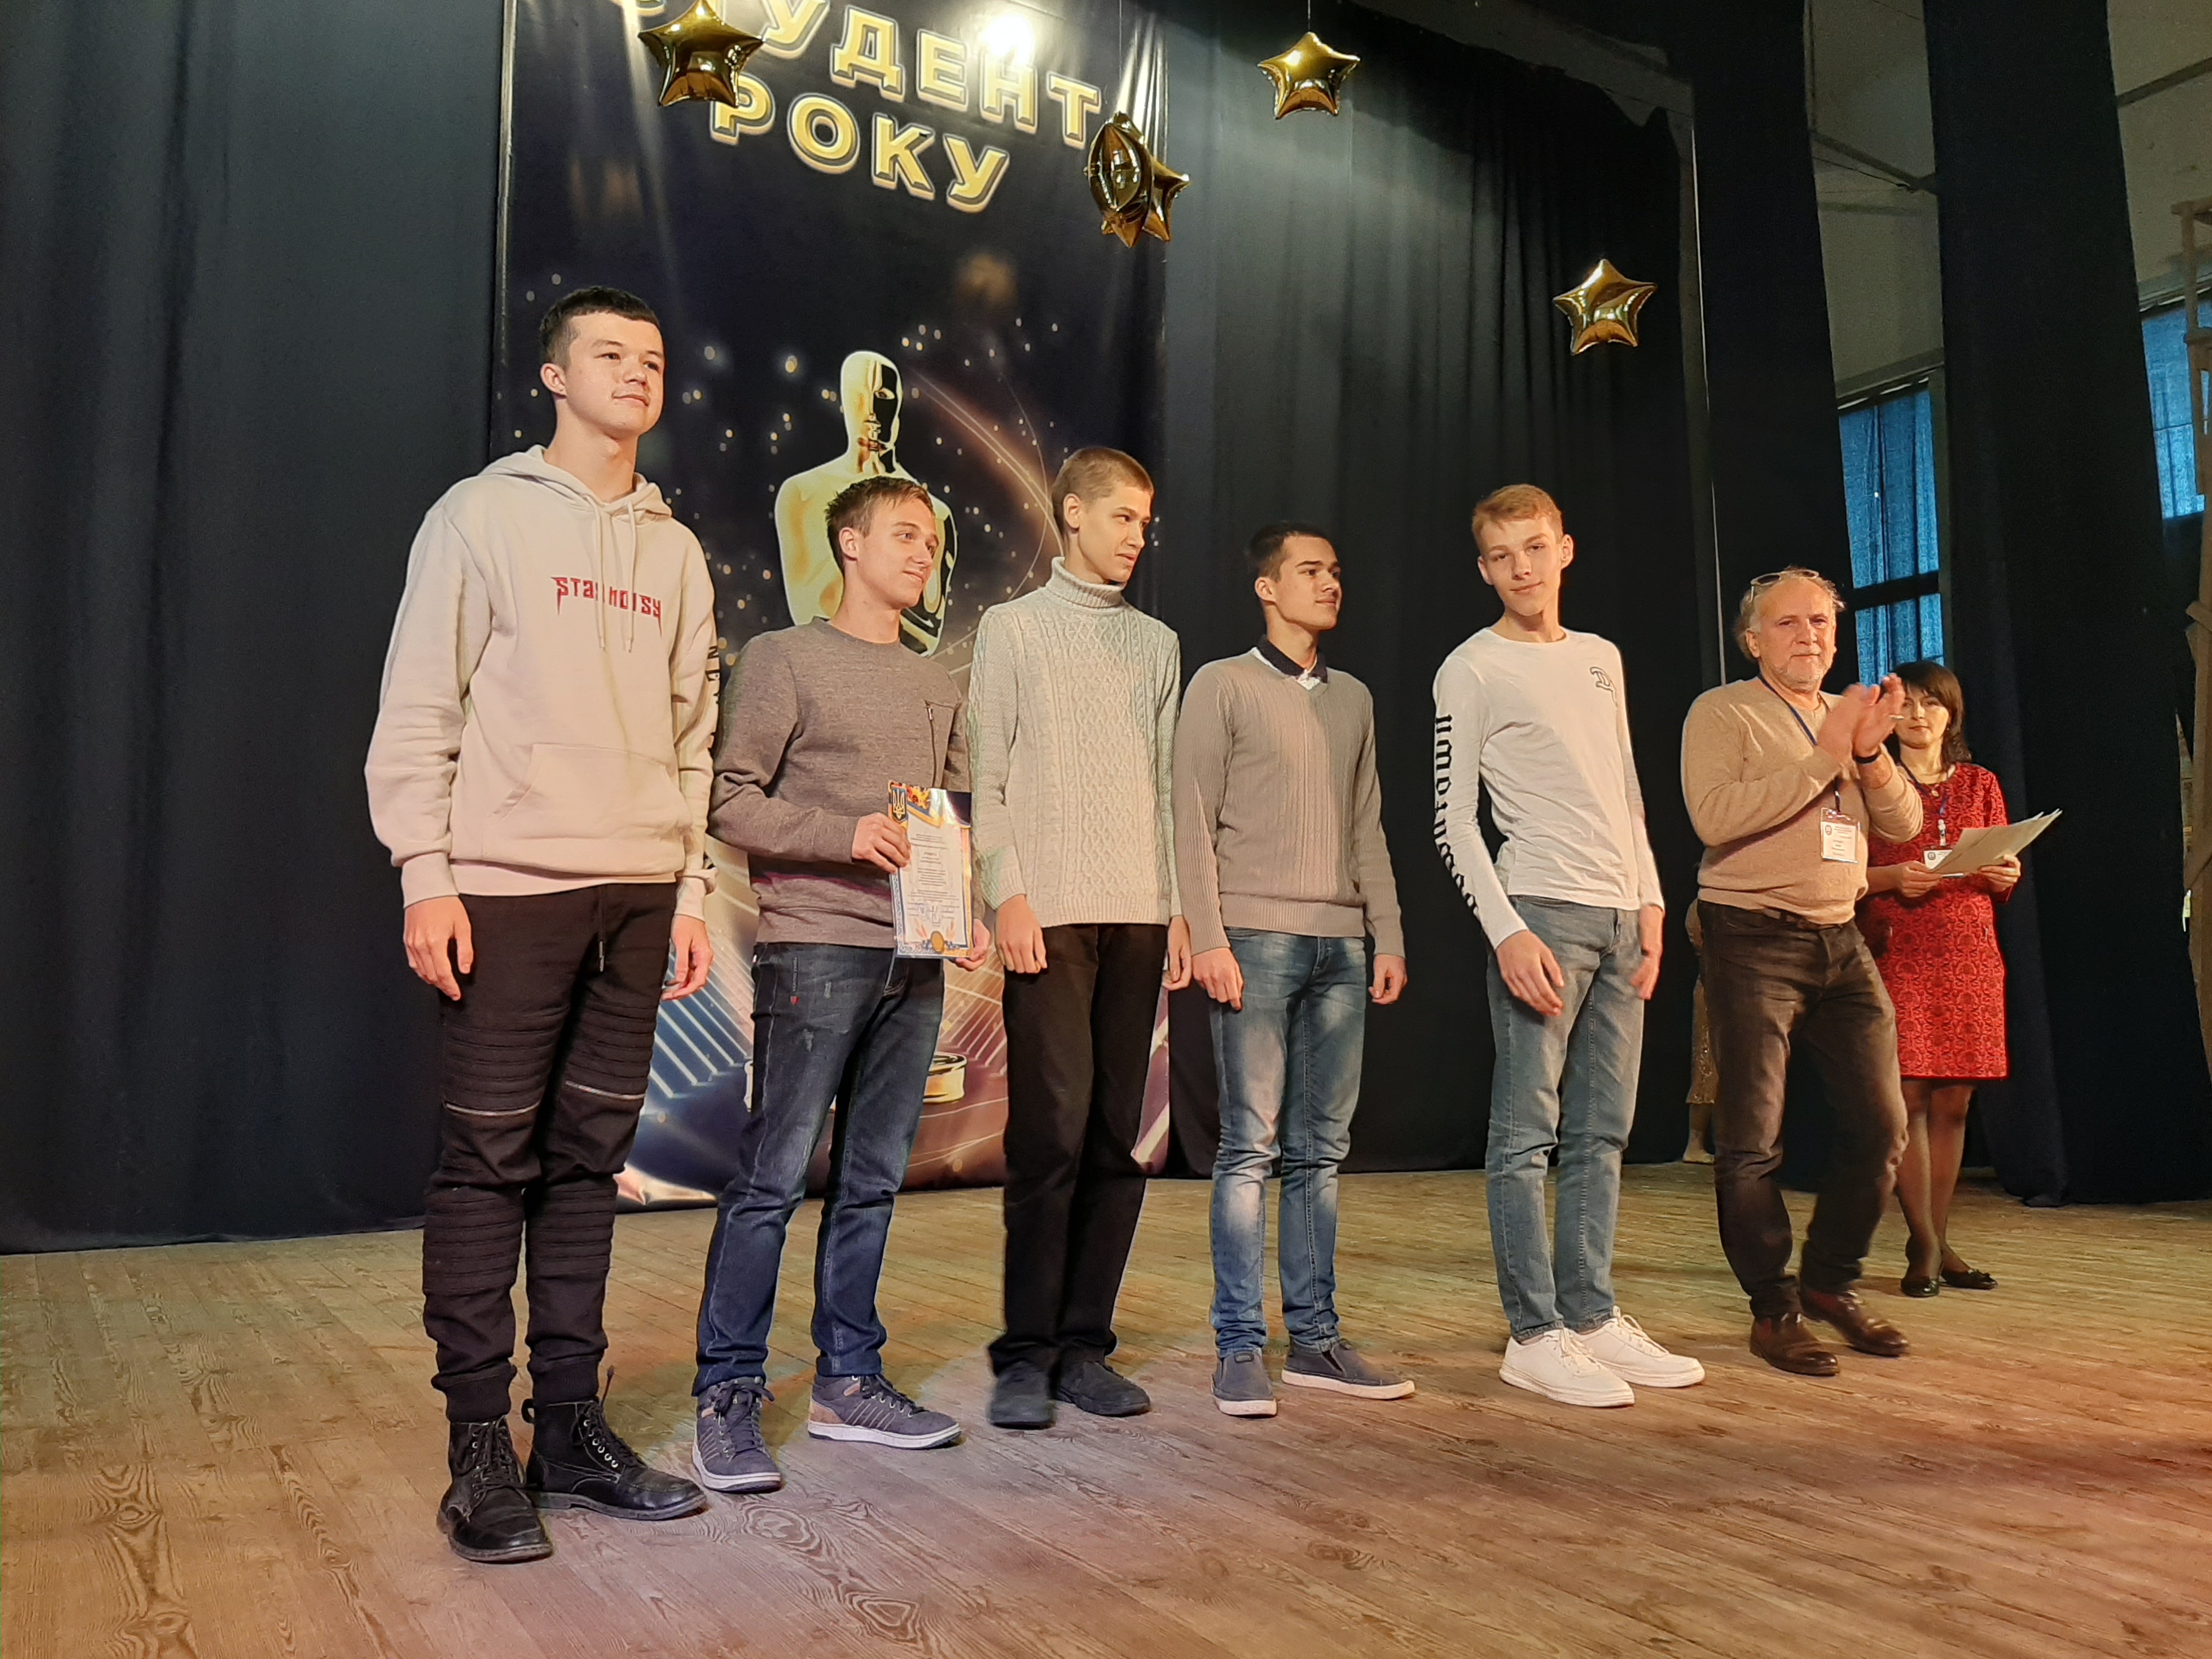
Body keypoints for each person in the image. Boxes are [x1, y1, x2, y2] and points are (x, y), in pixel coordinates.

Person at [365, 286, 715, 1564]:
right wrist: (426, 872)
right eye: (609, 354)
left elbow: (694, 737)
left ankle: (568, 1428)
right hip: (507, 889)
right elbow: (421, 705)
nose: (637, 373)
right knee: (487, 1161)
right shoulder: (481, 516)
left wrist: (691, 890)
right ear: (556, 378)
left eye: (653, 359)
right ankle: (478, 1453)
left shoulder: (676, 552)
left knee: (587, 1164)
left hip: (639, 893)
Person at [690, 475, 993, 1493]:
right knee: (772, 1178)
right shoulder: (784, 659)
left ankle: (848, 1378)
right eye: (903, 533)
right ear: (849, 543)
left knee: (873, 1179)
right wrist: (844, 834)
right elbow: (730, 800)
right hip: (815, 947)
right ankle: (727, 1391)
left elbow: (948, 815)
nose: (922, 552)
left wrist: (963, 904)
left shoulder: (936, 682)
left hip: (916, 955)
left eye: (932, 539)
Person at [1434, 484, 1705, 1408]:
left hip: (1621, 917)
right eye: (1501, 554)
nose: (1522, 566)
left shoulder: (1600, 658)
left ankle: (1590, 1315)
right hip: (1540, 912)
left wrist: (1651, 899)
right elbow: (1450, 819)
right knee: (1525, 1135)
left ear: (1565, 550)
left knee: (1602, 1132)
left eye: (1535, 546)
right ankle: (1534, 1334)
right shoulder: (1470, 669)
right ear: (1484, 569)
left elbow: (1624, 783)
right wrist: (1505, 928)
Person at [969, 445, 1193, 1430]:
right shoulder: (1012, 629)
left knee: (1113, 1134)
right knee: (1050, 1132)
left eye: (1145, 521)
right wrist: (1008, 893)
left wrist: (1178, 907)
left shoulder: (1157, 644)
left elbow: (1167, 788)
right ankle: (1025, 1351)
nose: (1138, 536)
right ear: (1072, 514)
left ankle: (1083, 1346)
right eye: (1122, 517)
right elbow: (989, 773)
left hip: (1139, 910)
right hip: (1050, 911)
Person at [1176, 523, 1414, 1419]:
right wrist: (1208, 936)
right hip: (1255, 938)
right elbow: (1190, 815)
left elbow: (1366, 824)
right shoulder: (1223, 683)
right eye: (1310, 570)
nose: (1330, 582)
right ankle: (1239, 1344)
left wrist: (1387, 934)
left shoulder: (1352, 698)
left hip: (1340, 946)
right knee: (1250, 1146)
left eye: (1336, 570)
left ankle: (1315, 1340)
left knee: (1321, 1152)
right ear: (1267, 588)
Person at [1681, 568, 1919, 1378]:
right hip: (1752, 936)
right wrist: (1826, 758)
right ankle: (1773, 1308)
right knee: (1752, 1141)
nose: (1809, 635)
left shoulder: (1844, 719)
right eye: (1789, 623)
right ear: (1754, 640)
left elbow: (1903, 823)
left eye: (1821, 622)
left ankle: (1828, 1283)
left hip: (1841, 938)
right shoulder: (1723, 712)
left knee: (1883, 1127)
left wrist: (1870, 753)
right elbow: (1714, 817)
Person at [1863, 661, 2017, 1296]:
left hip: (1970, 952)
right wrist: (1891, 879)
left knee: (1955, 1101)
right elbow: (1840, 873)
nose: (1919, 715)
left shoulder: (1981, 784)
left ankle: (1938, 1238)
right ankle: (1925, 1244)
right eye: (1907, 703)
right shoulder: (1870, 783)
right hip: (1900, 948)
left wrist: (2007, 875)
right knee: (1910, 1098)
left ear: (1952, 714)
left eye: (1932, 703)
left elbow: (2001, 869)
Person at [772, 351, 959, 654]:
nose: (870, 412)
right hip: (823, 667)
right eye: (857, 395)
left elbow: (926, 632)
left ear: (898, 405)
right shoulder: (802, 495)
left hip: (897, 671)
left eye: (882, 397)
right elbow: (806, 610)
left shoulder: (934, 515)